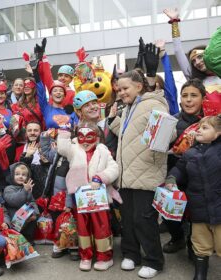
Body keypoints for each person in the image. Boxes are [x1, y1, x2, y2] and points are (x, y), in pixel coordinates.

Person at [108, 69, 169, 278]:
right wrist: (113, 121)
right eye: (119, 89)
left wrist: (163, 136)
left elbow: (170, 131)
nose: (121, 92)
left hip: (146, 173)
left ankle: (154, 260)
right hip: (127, 175)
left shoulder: (153, 103)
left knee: (144, 220)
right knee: (127, 219)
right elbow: (131, 135)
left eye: (125, 88)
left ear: (139, 86)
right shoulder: (129, 107)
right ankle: (131, 254)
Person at [57, 121, 118, 271]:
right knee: (83, 228)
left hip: (99, 199)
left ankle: (105, 256)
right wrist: (64, 132)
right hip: (81, 198)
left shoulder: (103, 151)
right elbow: (62, 149)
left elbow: (114, 168)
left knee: (101, 226)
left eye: (89, 137)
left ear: (97, 137)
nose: (85, 141)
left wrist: (101, 177)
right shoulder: (74, 149)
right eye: (81, 137)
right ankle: (86, 255)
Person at [165, 115, 221, 280]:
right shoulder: (190, 152)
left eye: (205, 128)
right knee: (200, 242)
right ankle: (200, 274)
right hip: (198, 207)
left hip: (218, 205)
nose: (199, 131)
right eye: (198, 128)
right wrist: (172, 178)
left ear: (218, 133)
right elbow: (180, 169)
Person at [163, 79, 206, 255]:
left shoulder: (211, 122)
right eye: (185, 95)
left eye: (194, 95)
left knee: (197, 215)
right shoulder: (171, 121)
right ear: (179, 100)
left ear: (203, 98)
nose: (188, 100)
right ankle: (177, 238)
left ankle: (193, 244)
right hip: (175, 174)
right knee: (171, 213)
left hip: (202, 178)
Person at [3, 162, 39, 243]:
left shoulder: (26, 188)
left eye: (24, 175)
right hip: (14, 218)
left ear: (27, 177)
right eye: (17, 174)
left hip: (26, 217)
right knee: (25, 212)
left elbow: (32, 201)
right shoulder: (9, 188)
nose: (20, 176)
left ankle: (28, 238)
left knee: (33, 216)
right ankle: (15, 237)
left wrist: (35, 213)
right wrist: (25, 190)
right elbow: (14, 201)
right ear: (12, 175)